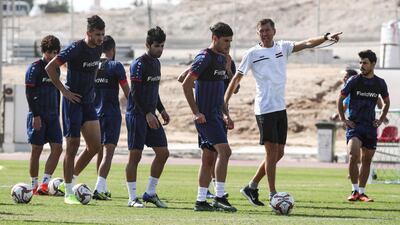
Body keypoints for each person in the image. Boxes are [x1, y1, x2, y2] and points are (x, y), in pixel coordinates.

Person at [224, 18, 342, 206]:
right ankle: (273, 194)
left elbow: (306, 43)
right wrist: (225, 102)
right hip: (264, 108)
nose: (265, 33)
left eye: (268, 30)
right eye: (261, 30)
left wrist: (326, 37)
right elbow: (237, 78)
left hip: (280, 108)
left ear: (274, 31)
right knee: (271, 153)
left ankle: (251, 186)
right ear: (258, 33)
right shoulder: (252, 53)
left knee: (279, 153)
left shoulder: (283, 47)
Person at [45, 15, 105, 204]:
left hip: (88, 102)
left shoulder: (100, 48)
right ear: (88, 33)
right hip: (72, 103)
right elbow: (50, 67)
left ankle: (67, 181)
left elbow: (95, 68)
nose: (100, 38)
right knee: (72, 147)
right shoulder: (76, 48)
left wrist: (92, 87)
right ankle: (69, 193)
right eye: (97, 34)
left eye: (102, 34)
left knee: (95, 146)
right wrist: (64, 91)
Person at [182, 22, 237, 212]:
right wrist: (196, 112)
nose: (228, 44)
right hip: (206, 117)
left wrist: (226, 115)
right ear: (215, 38)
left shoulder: (223, 59)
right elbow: (185, 83)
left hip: (217, 116)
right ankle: (220, 196)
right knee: (225, 152)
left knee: (208, 159)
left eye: (230, 41)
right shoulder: (205, 57)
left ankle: (200, 201)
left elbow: (224, 91)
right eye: (225, 41)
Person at [125, 26, 170, 208]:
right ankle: (132, 198)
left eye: (162, 46)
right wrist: (147, 113)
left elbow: (153, 91)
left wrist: (161, 109)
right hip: (137, 115)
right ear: (148, 45)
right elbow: (135, 93)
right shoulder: (138, 64)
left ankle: (150, 193)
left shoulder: (156, 64)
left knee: (163, 152)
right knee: (135, 156)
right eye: (157, 46)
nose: (160, 49)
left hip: (151, 114)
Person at [338, 50, 390, 202]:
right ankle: (354, 191)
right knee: (354, 155)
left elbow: (386, 102)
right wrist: (343, 119)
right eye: (360, 62)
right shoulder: (354, 80)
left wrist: (380, 120)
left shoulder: (380, 83)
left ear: (373, 64)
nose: (362, 65)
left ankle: (362, 192)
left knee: (367, 160)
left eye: (365, 62)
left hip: (370, 127)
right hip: (355, 125)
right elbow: (340, 99)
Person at [90, 35, 130, 200]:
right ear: (113, 50)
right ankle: (99, 187)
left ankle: (102, 186)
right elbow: (127, 92)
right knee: (109, 151)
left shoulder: (92, 66)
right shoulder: (116, 66)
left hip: (93, 112)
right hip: (111, 112)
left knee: (99, 150)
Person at [25, 35, 63, 195]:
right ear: (44, 51)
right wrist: (36, 115)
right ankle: (33, 185)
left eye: (56, 53)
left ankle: (45, 184)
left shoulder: (56, 68)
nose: (54, 56)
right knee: (37, 150)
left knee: (58, 148)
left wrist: (58, 113)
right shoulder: (34, 68)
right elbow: (29, 92)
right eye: (51, 53)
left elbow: (58, 91)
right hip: (38, 115)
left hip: (53, 116)